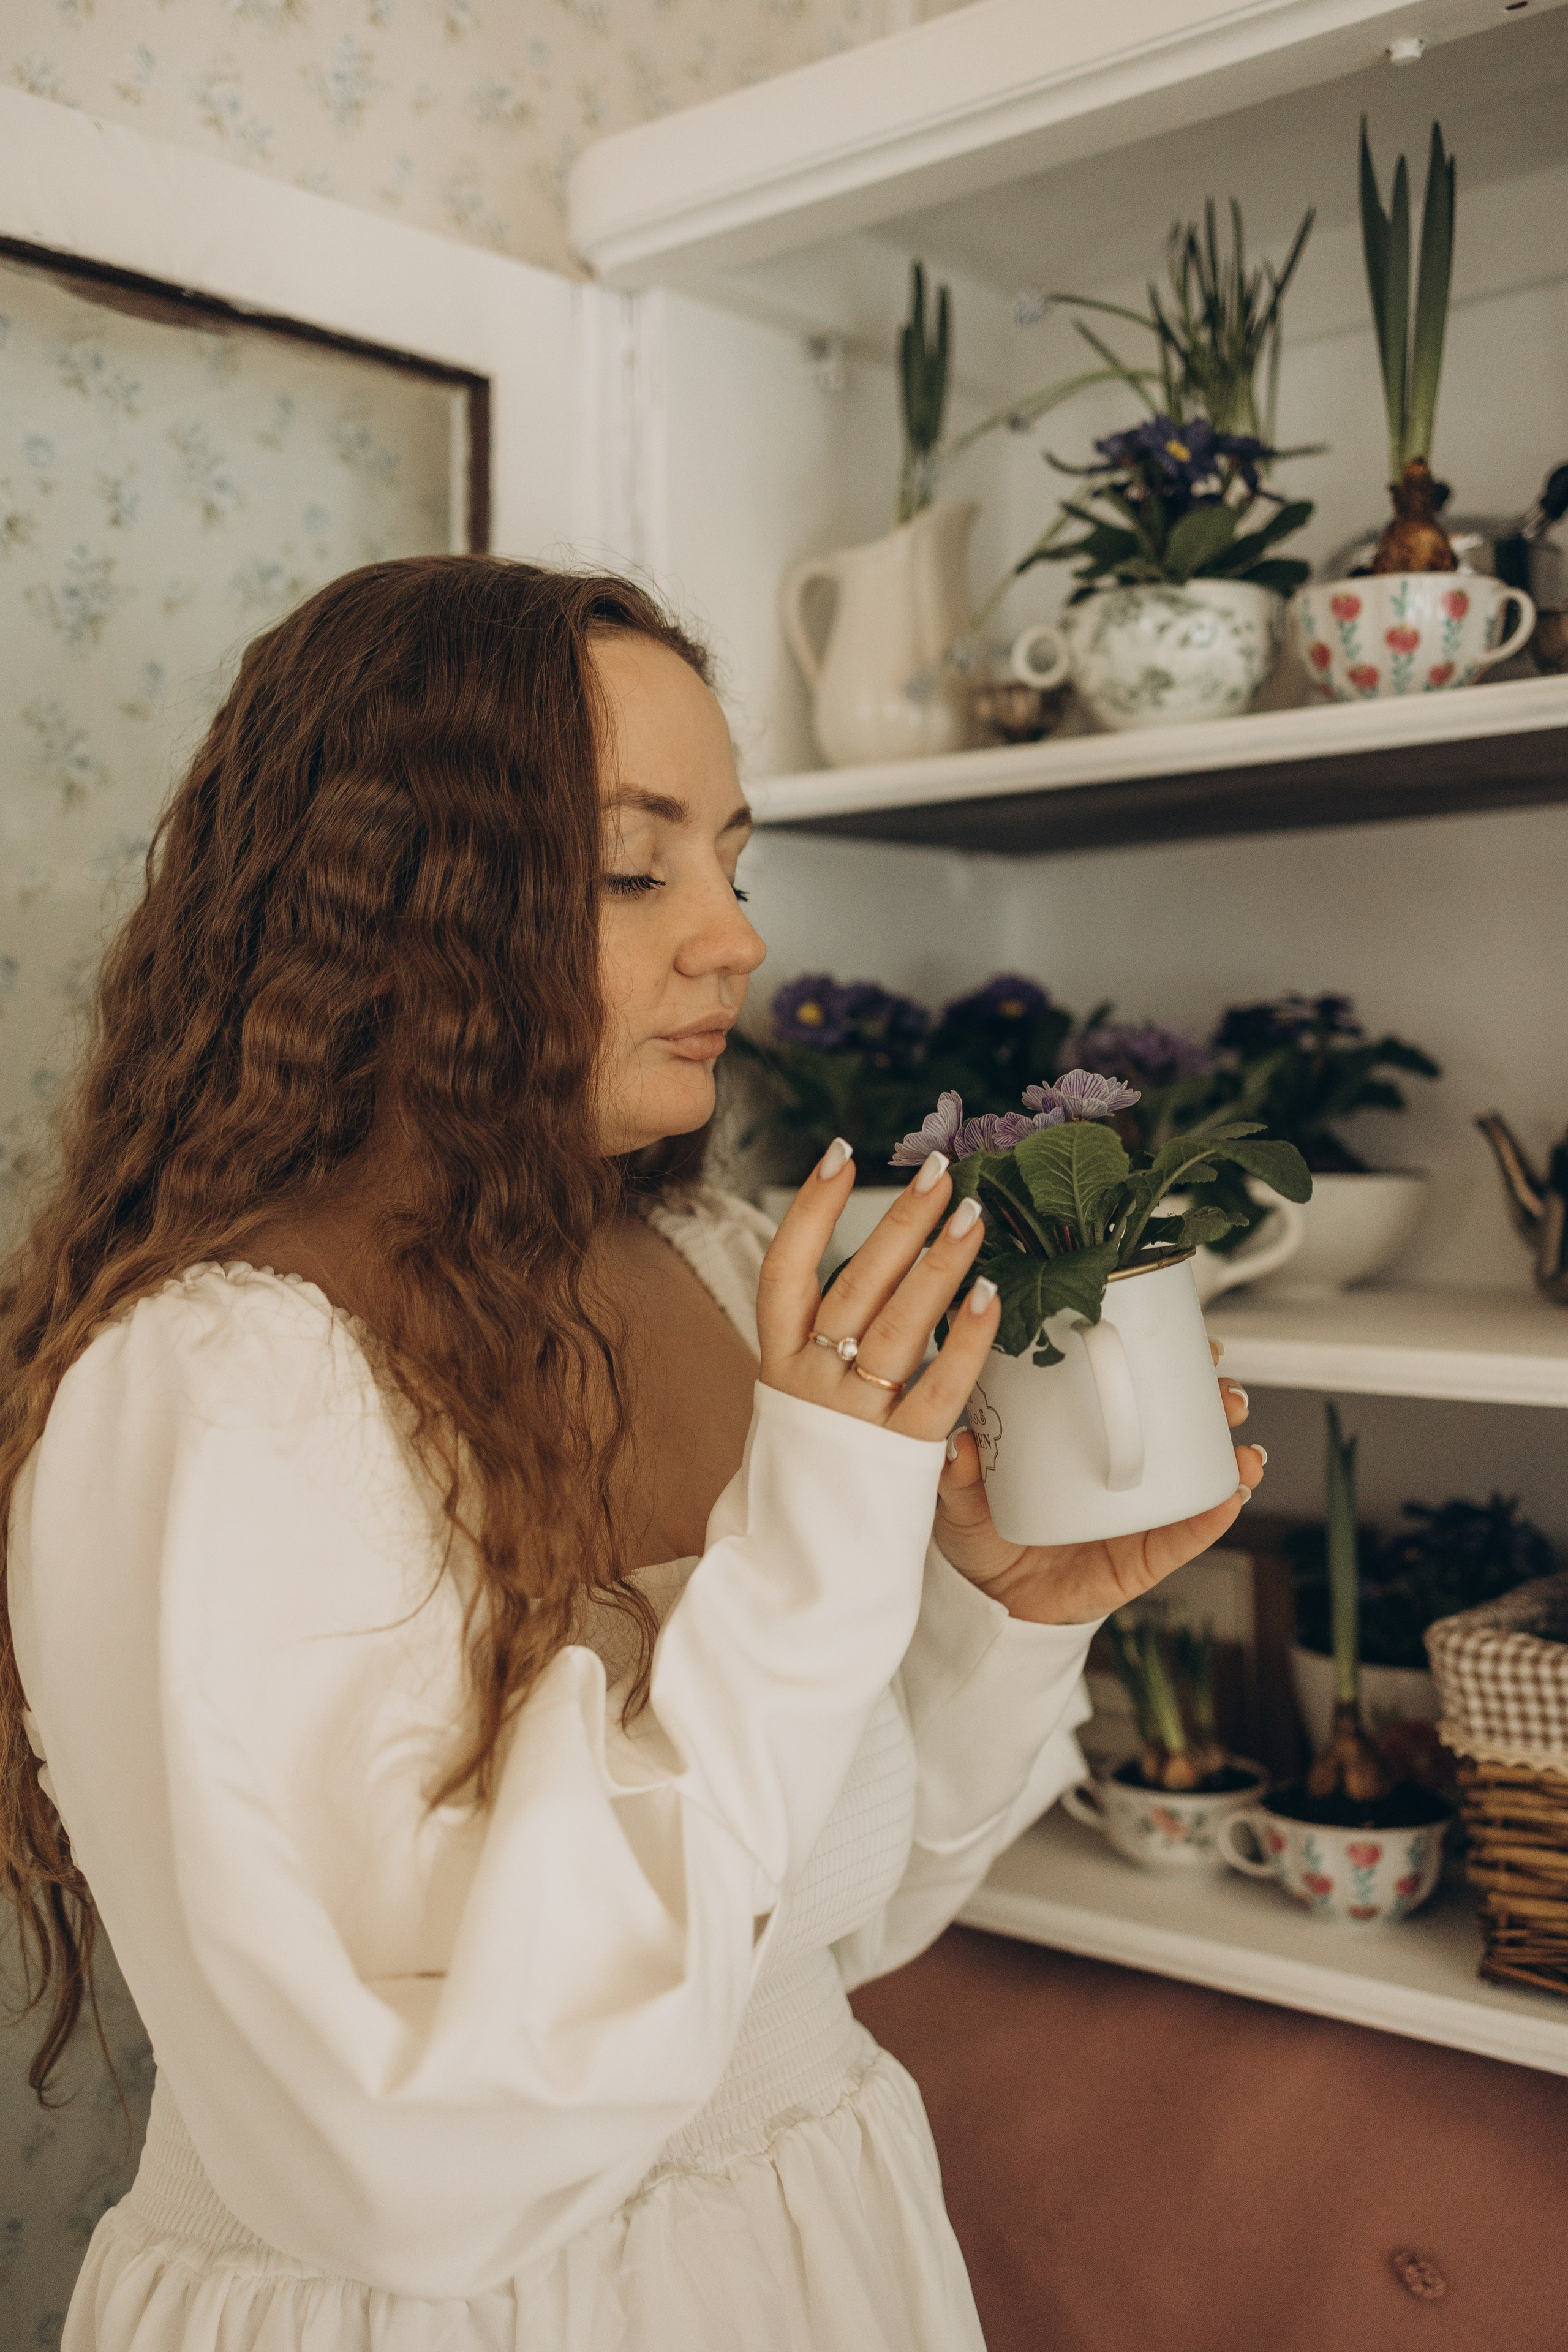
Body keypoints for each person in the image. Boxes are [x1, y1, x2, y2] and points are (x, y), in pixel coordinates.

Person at [1, 558, 1262, 2352]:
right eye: (631, 867)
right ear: (387, 900)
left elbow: (839, 1927)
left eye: (736, 863)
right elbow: (411, 2173)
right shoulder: (209, 1394)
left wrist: (998, 1615)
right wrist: (819, 1545)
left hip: (820, 2252)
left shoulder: (723, 1268)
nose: (734, 936)